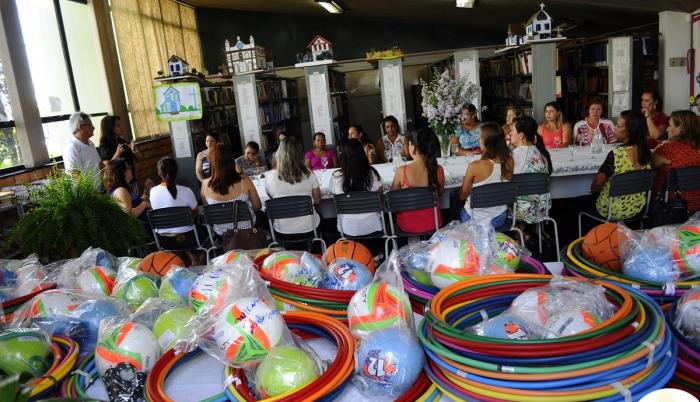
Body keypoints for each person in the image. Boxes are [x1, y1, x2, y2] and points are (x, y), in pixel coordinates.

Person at [591, 110, 652, 220]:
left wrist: (593, 191)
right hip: (637, 208)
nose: (614, 128)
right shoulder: (647, 152)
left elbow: (597, 184)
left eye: (618, 126)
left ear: (630, 131)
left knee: (580, 201)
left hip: (611, 211)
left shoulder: (616, 154)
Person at [149, 157, 206, 265]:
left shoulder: (153, 191)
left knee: (183, 233)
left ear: (159, 173)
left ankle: (187, 259)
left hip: (164, 240)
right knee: (204, 229)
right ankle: (195, 260)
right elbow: (195, 212)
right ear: (176, 172)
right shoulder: (186, 191)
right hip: (187, 239)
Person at [459, 122, 514, 227]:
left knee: (455, 198)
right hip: (499, 218)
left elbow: (462, 196)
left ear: (488, 141)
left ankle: (460, 237)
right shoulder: (510, 161)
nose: (478, 140)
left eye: (480, 137)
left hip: (474, 220)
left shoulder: (475, 166)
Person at [201, 144, 261, 237]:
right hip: (247, 232)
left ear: (212, 161)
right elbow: (257, 207)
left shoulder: (205, 184)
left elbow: (208, 211)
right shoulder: (245, 180)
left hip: (222, 235)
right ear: (231, 160)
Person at [390, 130, 444, 234]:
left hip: (408, 226)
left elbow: (393, 201)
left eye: (409, 144)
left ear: (413, 147)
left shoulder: (402, 171)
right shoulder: (439, 169)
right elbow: (439, 194)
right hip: (434, 223)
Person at [265, 136, 321, 235]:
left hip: (281, 230)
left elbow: (272, 197)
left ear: (279, 154)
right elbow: (317, 201)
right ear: (300, 154)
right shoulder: (309, 173)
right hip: (310, 228)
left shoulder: (269, 176)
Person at [330, 139, 384, 236]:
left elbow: (336, 201)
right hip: (373, 226)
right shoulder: (372, 173)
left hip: (348, 228)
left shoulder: (336, 176)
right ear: (362, 153)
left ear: (344, 156)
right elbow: (380, 197)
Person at [652, 110, 700, 213]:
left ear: (680, 129)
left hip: (672, 207)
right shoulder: (697, 149)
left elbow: (648, 165)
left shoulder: (667, 149)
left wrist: (658, 147)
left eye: (669, 126)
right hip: (697, 205)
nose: (667, 130)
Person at [511, 116, 552, 224]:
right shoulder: (541, 152)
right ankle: (522, 232)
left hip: (521, 210)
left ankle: (519, 232)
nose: (510, 133)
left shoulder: (514, 156)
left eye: (512, 131)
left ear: (521, 135)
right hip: (542, 208)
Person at [104, 159, 152, 226]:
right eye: (129, 168)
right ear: (123, 172)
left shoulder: (124, 188)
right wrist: (144, 204)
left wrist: (146, 192)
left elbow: (135, 203)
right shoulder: (120, 191)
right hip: (140, 231)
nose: (131, 169)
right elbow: (128, 214)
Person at [63, 112, 102, 188]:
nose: (93, 128)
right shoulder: (72, 149)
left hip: (100, 190)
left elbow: (100, 165)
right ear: (81, 127)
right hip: (88, 196)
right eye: (90, 125)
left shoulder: (91, 144)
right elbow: (75, 179)